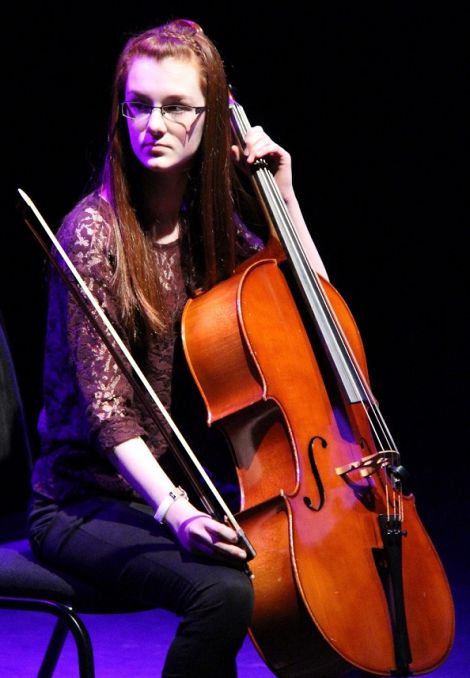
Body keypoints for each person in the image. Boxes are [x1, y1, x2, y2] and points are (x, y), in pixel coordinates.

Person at [27, 18, 328, 677]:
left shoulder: (208, 234)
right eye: (139, 105)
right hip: (78, 503)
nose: (153, 123)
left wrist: (286, 200)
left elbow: (317, 314)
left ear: (208, 119)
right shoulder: (92, 235)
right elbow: (111, 417)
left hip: (168, 490)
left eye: (176, 107)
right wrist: (174, 511)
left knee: (281, 571)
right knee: (223, 594)